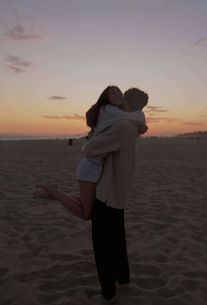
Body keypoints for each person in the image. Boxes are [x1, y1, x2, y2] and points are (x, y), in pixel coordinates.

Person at [35, 86, 148, 222]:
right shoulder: (112, 114)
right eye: (114, 94)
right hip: (90, 165)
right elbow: (89, 149)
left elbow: (131, 119)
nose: (119, 97)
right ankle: (54, 192)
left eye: (120, 94)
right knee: (86, 213)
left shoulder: (117, 117)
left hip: (97, 166)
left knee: (88, 203)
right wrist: (141, 125)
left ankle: (52, 194)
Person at [82, 87, 149, 303]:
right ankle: (124, 279)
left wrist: (90, 138)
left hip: (107, 192)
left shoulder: (121, 127)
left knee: (103, 247)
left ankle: (108, 293)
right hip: (121, 191)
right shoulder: (135, 127)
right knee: (118, 240)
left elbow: (90, 150)